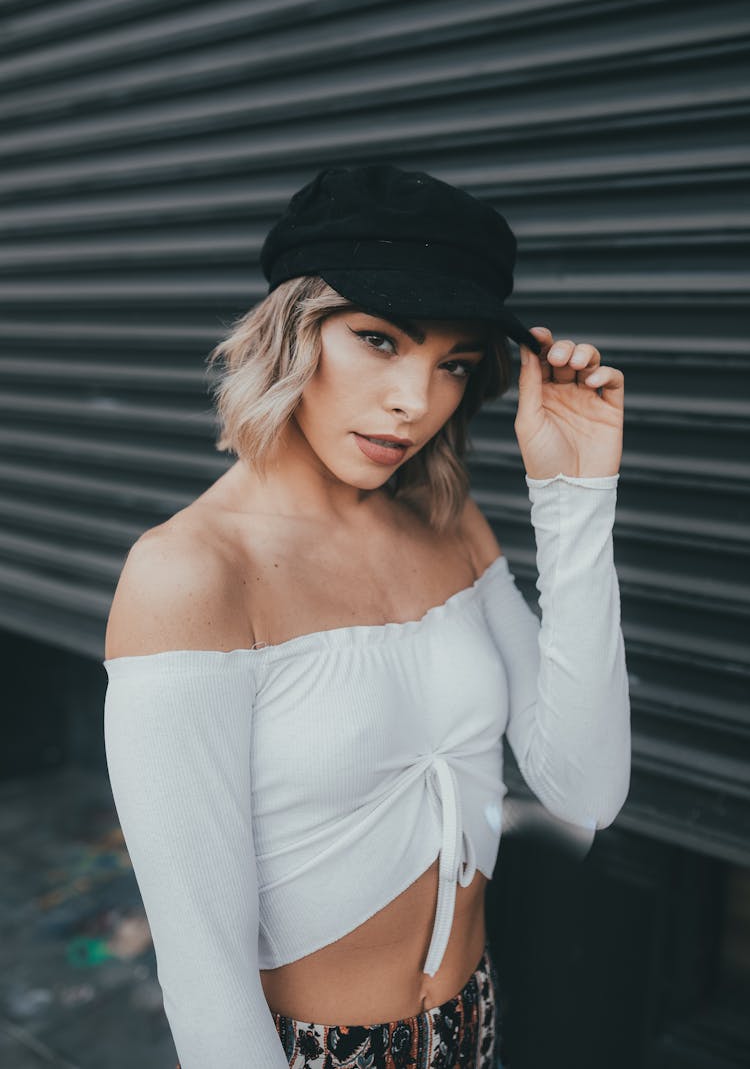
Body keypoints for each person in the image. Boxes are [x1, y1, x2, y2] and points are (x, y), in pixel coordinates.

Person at [102, 162, 631, 1069]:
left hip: (475, 1024)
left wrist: (576, 493)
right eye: (381, 340)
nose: (416, 402)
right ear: (291, 330)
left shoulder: (445, 518)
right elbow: (204, 975)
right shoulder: (190, 573)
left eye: (453, 364)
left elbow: (585, 788)